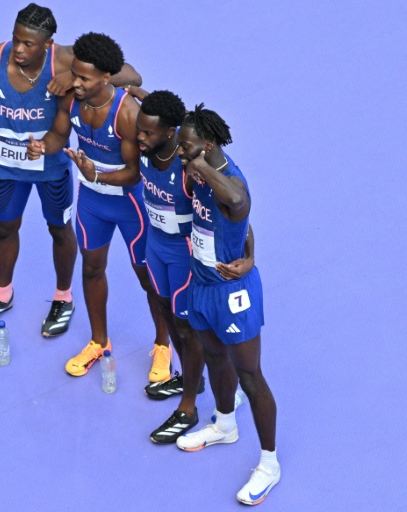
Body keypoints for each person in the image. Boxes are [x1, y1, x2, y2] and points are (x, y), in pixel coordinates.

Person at [0, 4, 141, 337]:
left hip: (52, 168)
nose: (19, 48)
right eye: (16, 39)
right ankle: (2, 294)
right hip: (7, 165)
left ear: (47, 44)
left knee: (60, 230)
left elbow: (131, 75)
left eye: (29, 44)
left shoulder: (65, 61)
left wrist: (69, 77)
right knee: (4, 227)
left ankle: (63, 297)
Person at [27, 32, 169, 378]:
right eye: (73, 73)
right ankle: (98, 341)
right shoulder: (71, 99)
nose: (74, 82)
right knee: (91, 268)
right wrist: (43, 147)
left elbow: (135, 174)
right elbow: (60, 134)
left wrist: (96, 175)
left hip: (130, 206)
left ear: (107, 77)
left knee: (149, 280)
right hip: (91, 203)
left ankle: (163, 346)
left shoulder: (126, 114)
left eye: (83, 78)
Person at [127, 89, 254, 444]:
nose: (140, 136)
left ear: (170, 134)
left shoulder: (190, 172)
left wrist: (250, 257)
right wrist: (135, 89)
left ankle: (189, 406)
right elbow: (133, 83)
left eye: (147, 132)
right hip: (156, 245)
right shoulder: (149, 149)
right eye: (140, 130)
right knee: (166, 312)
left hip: (185, 253)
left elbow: (234, 217)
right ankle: (191, 377)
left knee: (187, 328)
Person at [172, 104, 280, 505]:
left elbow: (239, 203)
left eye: (187, 148)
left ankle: (269, 463)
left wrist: (201, 167)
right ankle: (224, 424)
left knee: (249, 377)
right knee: (215, 359)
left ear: (209, 145)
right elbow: (244, 227)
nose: (181, 153)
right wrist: (250, 248)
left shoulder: (229, 181)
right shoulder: (197, 163)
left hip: (233, 295)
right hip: (201, 284)